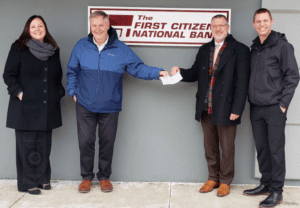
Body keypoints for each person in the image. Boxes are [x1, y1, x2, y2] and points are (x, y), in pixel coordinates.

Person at [66, 10, 168, 193]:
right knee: (86, 141)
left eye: (100, 25)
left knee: (107, 142)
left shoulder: (120, 49)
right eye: (94, 25)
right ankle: (86, 178)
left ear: (108, 26)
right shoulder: (81, 46)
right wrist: (73, 92)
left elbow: (138, 68)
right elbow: (72, 71)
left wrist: (157, 72)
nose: (97, 29)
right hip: (84, 104)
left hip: (110, 105)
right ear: (90, 26)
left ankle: (104, 177)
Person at [171, 14, 250, 197]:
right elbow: (193, 73)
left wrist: (237, 109)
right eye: (215, 26)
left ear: (227, 26)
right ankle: (213, 178)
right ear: (211, 28)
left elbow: (242, 83)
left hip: (227, 107)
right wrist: (179, 72)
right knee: (210, 146)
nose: (218, 29)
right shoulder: (205, 49)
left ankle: (225, 181)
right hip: (206, 107)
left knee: (227, 147)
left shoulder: (240, 50)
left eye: (221, 25)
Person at [243, 8, 299, 208]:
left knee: (275, 151)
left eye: (265, 20)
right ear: (253, 24)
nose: (261, 24)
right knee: (262, 149)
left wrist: (283, 104)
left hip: (275, 107)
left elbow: (293, 76)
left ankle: (277, 191)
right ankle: (265, 183)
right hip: (256, 108)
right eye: (258, 21)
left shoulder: (282, 46)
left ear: (272, 22)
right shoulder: (255, 48)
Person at [3, 15, 65, 195]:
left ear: (45, 28)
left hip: (47, 106)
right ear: (27, 29)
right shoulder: (18, 48)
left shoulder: (53, 50)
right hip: (25, 107)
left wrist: (58, 93)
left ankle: (43, 179)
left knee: (44, 146)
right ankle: (28, 182)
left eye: (40, 25)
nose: (37, 29)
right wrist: (20, 94)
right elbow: (9, 75)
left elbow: (57, 77)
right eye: (33, 26)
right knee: (27, 146)